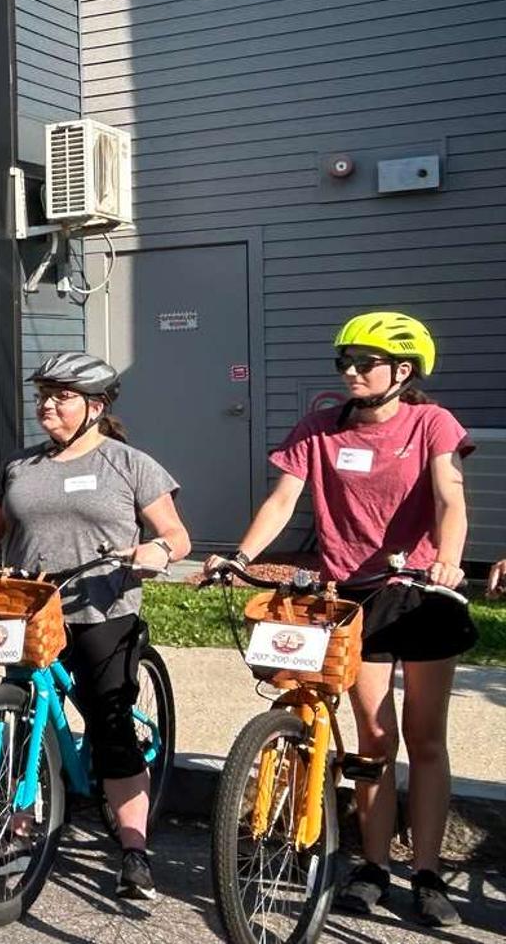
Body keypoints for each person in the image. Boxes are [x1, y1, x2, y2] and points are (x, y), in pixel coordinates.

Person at [203, 312, 473, 927]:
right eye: (344, 361)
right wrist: (241, 557)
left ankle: (427, 873)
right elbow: (281, 499)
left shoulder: (432, 423)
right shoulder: (319, 429)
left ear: (403, 371)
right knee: (374, 741)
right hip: (353, 597)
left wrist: (450, 562)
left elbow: (451, 499)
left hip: (422, 591)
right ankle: (374, 866)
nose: (350, 371)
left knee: (424, 738)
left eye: (364, 361)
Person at [0, 351, 189, 902]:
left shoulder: (128, 463)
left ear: (95, 407)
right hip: (28, 611)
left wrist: (155, 551)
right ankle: (21, 828)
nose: (46, 405)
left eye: (60, 396)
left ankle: (133, 849)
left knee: (110, 727)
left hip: (101, 612)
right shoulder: (19, 466)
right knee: (19, 716)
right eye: (42, 395)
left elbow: (177, 536)